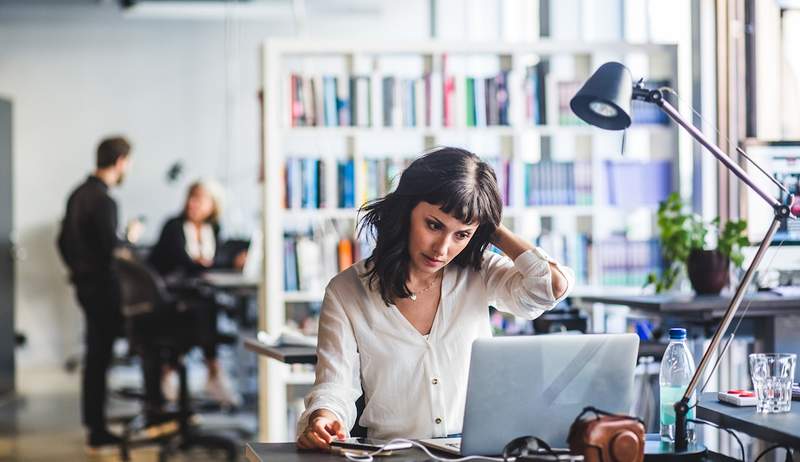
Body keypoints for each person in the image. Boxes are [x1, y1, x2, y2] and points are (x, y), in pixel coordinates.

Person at [296, 147, 575, 450]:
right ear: (406, 212)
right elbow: (335, 386)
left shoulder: (478, 271)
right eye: (434, 225)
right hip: (393, 455)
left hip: (476, 453)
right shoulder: (347, 291)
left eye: (462, 235)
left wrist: (490, 227)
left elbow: (549, 287)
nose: (442, 249)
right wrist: (323, 418)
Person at [57, 136, 132, 449]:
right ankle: (98, 430)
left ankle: (94, 425)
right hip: (103, 288)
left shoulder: (77, 193)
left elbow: (61, 242)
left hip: (85, 286)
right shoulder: (104, 200)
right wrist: (128, 239)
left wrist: (77, 269)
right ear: (119, 162)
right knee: (100, 356)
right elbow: (110, 250)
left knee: (95, 356)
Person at [147, 180, 242, 407]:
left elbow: (214, 260)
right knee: (204, 308)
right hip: (168, 298)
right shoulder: (173, 226)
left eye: (199, 198)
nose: (193, 203)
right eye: (191, 196)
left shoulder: (214, 229)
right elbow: (186, 263)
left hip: (196, 297)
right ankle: (211, 371)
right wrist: (217, 262)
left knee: (205, 305)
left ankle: (181, 371)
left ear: (213, 205)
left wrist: (231, 259)